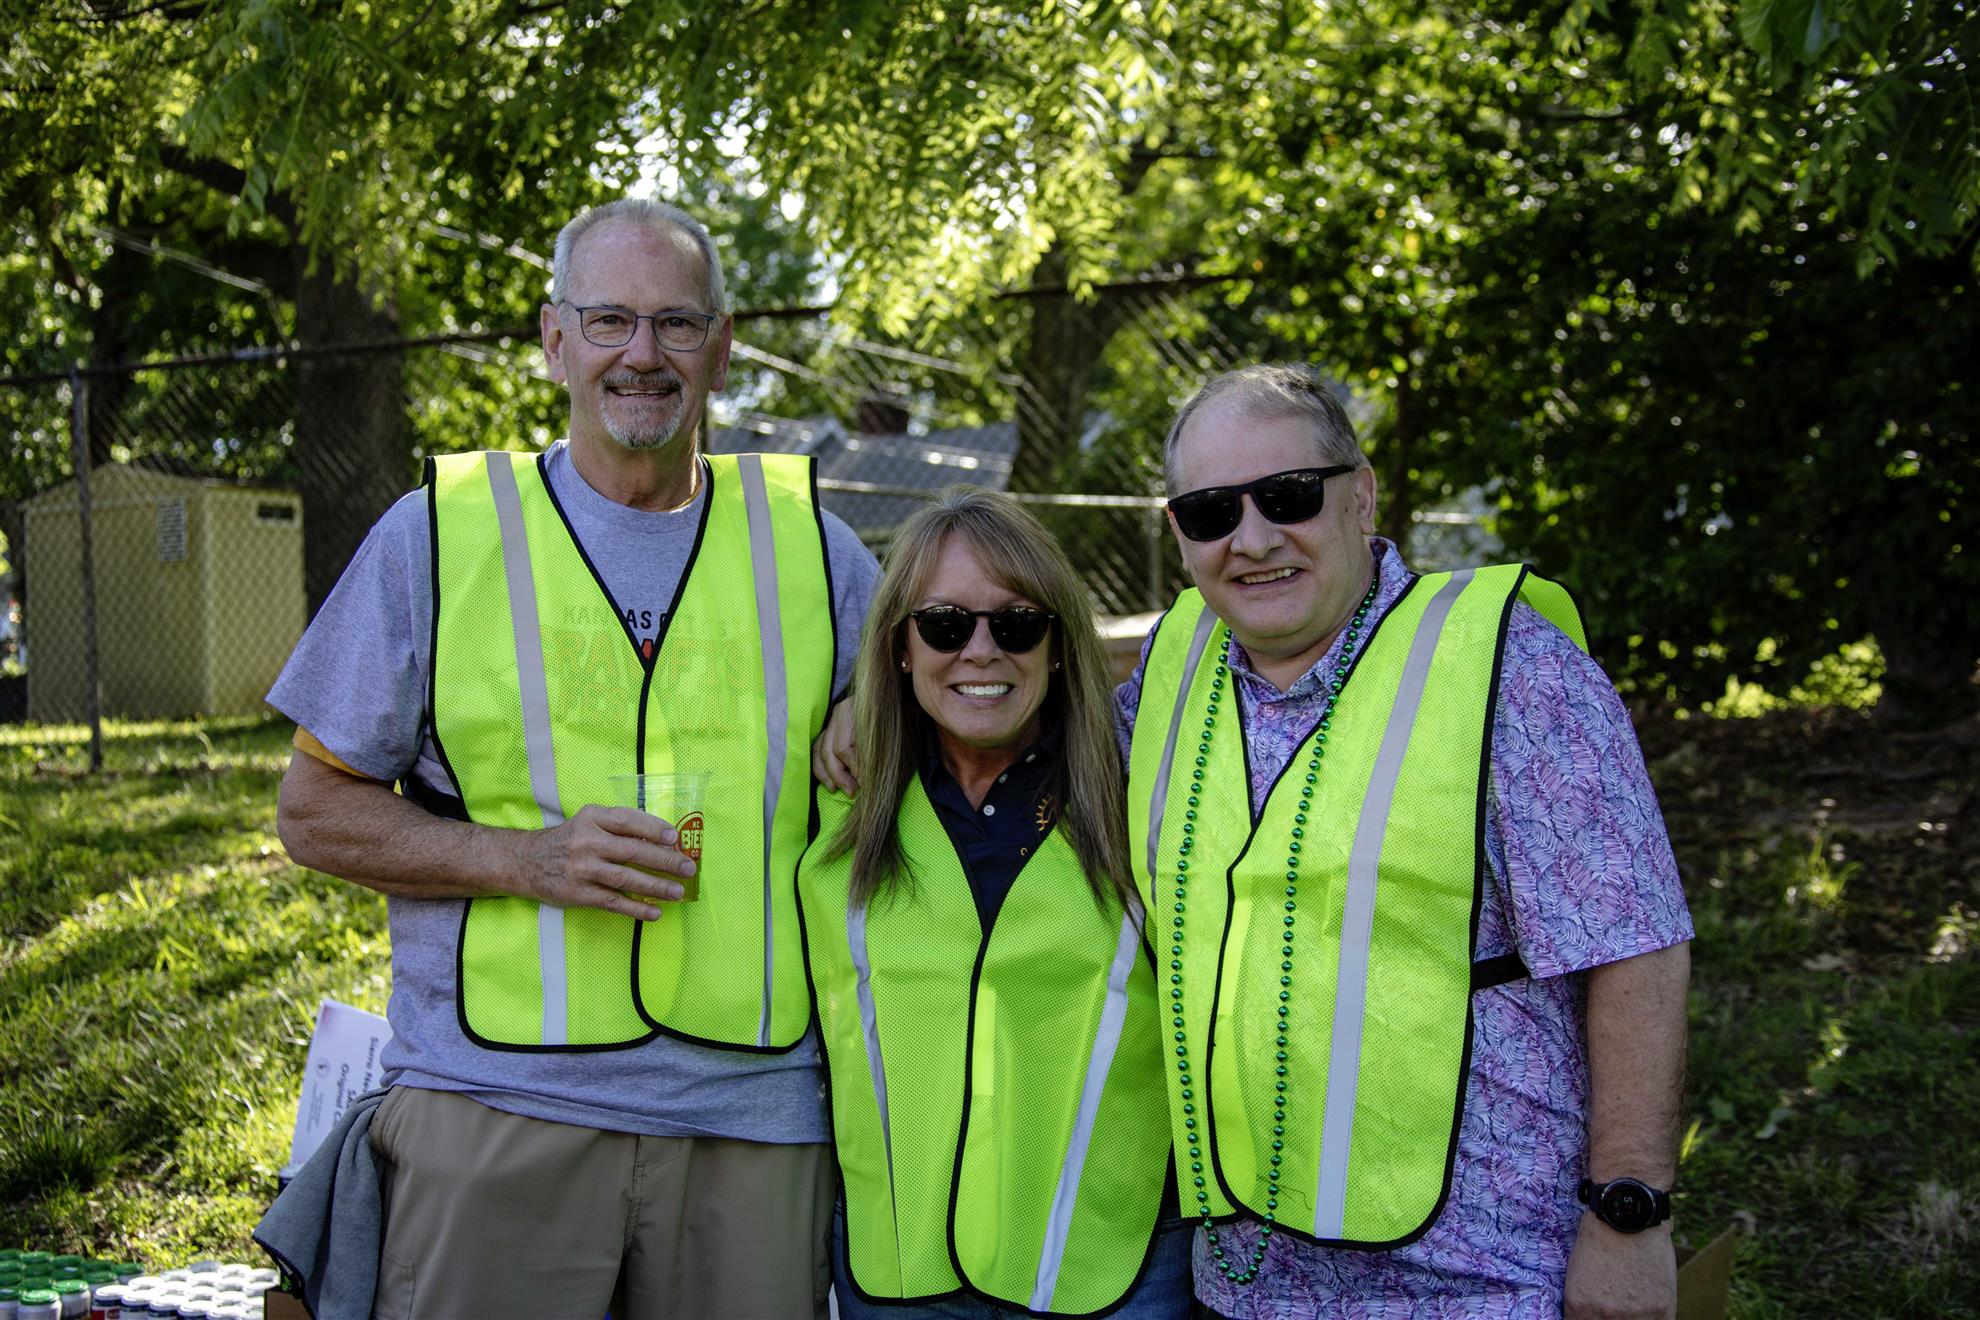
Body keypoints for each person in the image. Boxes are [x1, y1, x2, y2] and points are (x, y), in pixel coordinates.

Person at [268, 197, 879, 1319]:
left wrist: (876, 716)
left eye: (676, 324)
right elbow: (312, 810)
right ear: (555, 341)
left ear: (722, 349)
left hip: (753, 1124)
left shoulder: (819, 552)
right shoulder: (440, 534)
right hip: (497, 1106)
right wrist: (524, 860)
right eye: (609, 321)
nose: (642, 353)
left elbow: (956, 722)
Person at [1118, 365, 1693, 1319]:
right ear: (1178, 532)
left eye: (1288, 496)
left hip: (1481, 1280)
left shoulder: (1512, 669)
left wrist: (1629, 1219)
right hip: (1248, 1275)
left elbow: (1635, 947)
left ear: (1362, 496)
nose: (1252, 539)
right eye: (1212, 512)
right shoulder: (1171, 672)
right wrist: (870, 703)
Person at [798, 487, 1193, 1319]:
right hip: (899, 1274)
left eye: (1017, 624)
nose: (981, 650)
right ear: (901, 647)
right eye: (945, 625)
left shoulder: (1147, 797)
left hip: (1108, 1272)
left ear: (1058, 645)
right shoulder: (834, 802)